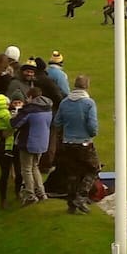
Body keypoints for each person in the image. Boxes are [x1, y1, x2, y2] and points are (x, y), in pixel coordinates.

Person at [55, 76, 101, 215]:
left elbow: (57, 122)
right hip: (84, 143)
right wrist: (92, 133)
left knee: (72, 173)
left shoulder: (64, 103)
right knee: (94, 169)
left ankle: (71, 203)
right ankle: (81, 196)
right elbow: (92, 126)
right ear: (87, 86)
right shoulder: (89, 103)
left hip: (67, 143)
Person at [12, 95, 54, 206]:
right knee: (35, 167)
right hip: (42, 143)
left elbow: (15, 123)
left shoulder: (29, 111)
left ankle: (30, 195)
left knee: (26, 169)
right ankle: (41, 193)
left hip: (28, 143)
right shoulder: (48, 109)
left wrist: (17, 113)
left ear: (31, 97)